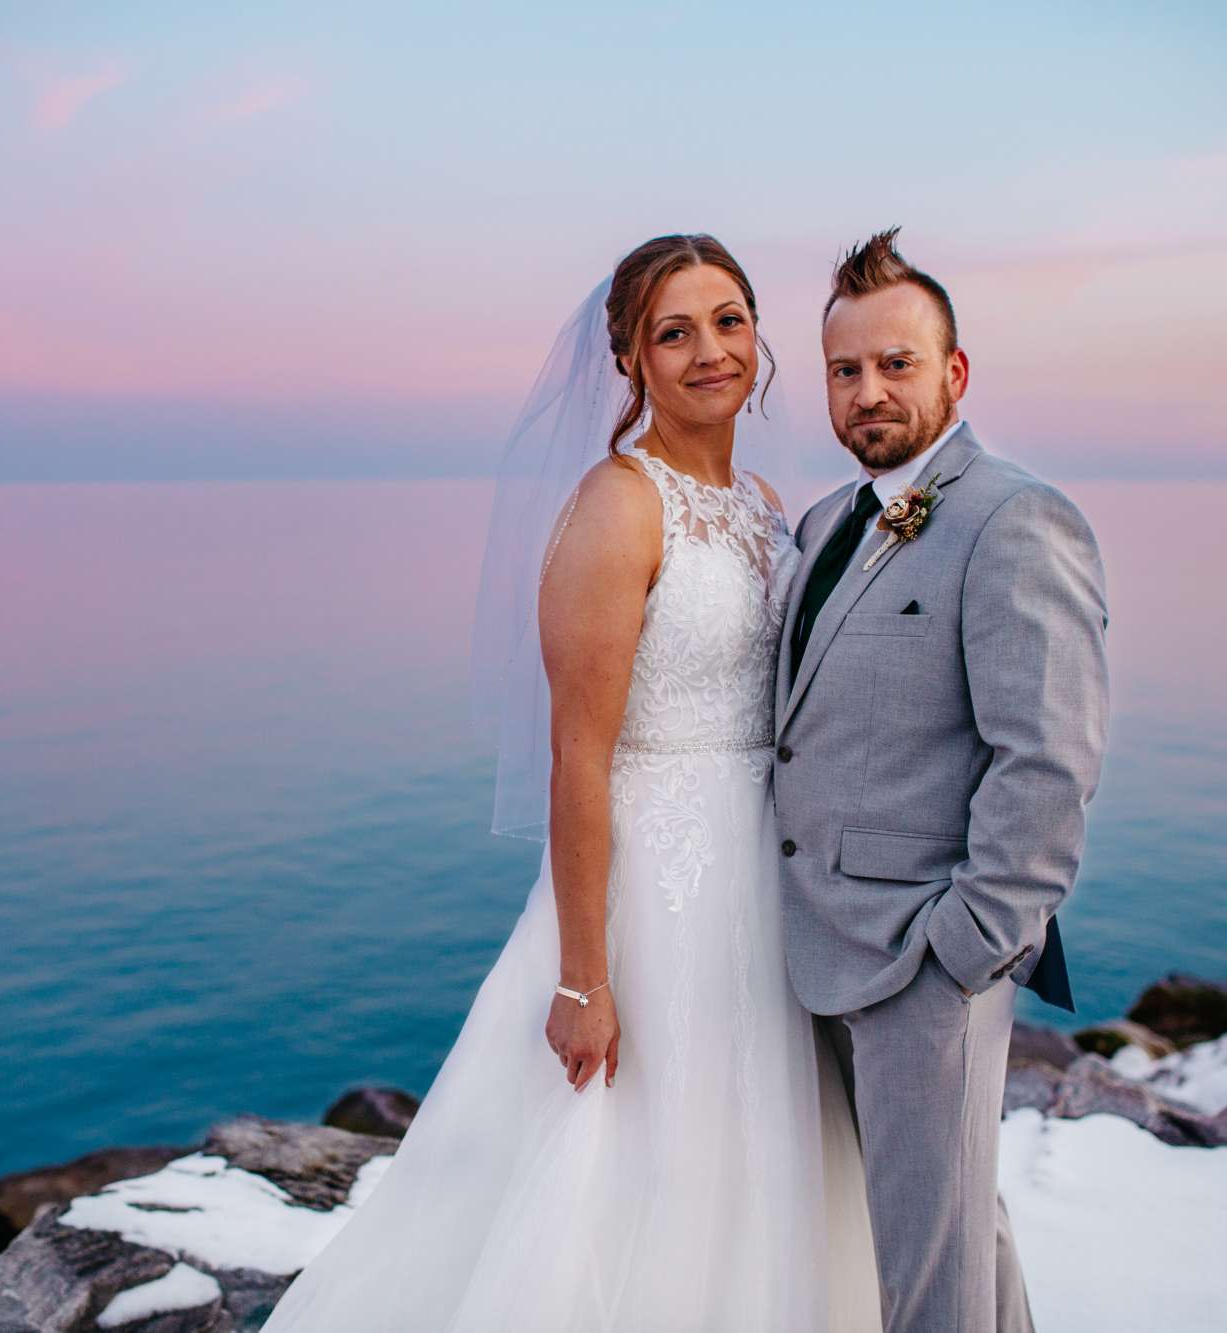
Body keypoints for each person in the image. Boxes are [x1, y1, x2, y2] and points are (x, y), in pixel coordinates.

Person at [259, 234, 883, 1331]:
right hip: (658, 889)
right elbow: (578, 753)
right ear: (631, 361)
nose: (708, 352)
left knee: (758, 1148)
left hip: (763, 877)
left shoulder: (761, 498)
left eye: (727, 320)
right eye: (673, 332)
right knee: (638, 1155)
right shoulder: (617, 505)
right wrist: (582, 978)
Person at [774, 227, 1111, 1332]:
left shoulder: (1012, 519)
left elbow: (1048, 757)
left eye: (895, 363)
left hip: (922, 962)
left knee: (927, 1281)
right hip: (817, 943)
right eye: (844, 369)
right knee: (956, 1240)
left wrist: (966, 949)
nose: (868, 391)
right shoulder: (828, 523)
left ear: (952, 374)